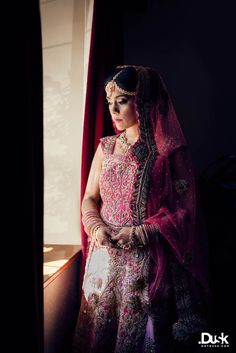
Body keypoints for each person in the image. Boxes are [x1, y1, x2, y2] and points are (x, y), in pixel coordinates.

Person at [72, 65, 209, 353]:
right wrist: (96, 227)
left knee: (139, 338)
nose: (113, 109)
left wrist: (140, 233)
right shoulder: (106, 147)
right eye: (110, 102)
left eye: (122, 100)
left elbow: (186, 213)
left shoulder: (170, 151)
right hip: (104, 263)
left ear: (143, 99)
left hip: (147, 265)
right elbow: (89, 199)